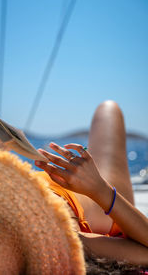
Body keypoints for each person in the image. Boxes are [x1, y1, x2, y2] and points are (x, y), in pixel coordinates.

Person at [34, 100, 148, 266]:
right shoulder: (68, 241)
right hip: (101, 198)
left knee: (108, 109)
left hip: (77, 185)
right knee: (109, 109)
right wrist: (99, 189)